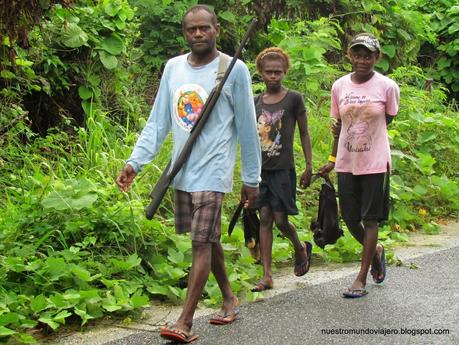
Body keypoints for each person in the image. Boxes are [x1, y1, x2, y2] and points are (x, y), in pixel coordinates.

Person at [116, 5, 261, 343]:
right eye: (191, 30)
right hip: (181, 172)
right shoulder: (173, 68)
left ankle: (185, 321)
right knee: (207, 238)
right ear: (184, 33)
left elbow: (247, 128)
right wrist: (135, 162)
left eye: (204, 29)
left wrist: (251, 179)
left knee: (199, 243)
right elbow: (158, 122)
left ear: (217, 30)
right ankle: (229, 298)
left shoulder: (233, 70)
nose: (198, 34)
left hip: (214, 172)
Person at [319, 33, 400, 298]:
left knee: (370, 218)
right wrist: (332, 160)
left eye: (368, 55)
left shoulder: (387, 86)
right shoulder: (339, 86)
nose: (362, 60)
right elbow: (338, 127)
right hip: (346, 161)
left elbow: (388, 119)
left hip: (375, 162)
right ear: (350, 55)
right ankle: (375, 251)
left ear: (377, 57)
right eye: (358, 54)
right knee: (350, 218)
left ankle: (361, 277)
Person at [250, 47, 313, 292]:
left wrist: (308, 165)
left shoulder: (293, 98)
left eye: (278, 72)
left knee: (280, 219)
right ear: (261, 74)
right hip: (261, 171)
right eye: (269, 72)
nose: (273, 76)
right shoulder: (255, 102)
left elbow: (305, 132)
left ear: (285, 72)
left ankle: (299, 247)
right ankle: (267, 275)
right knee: (264, 218)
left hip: (283, 169)